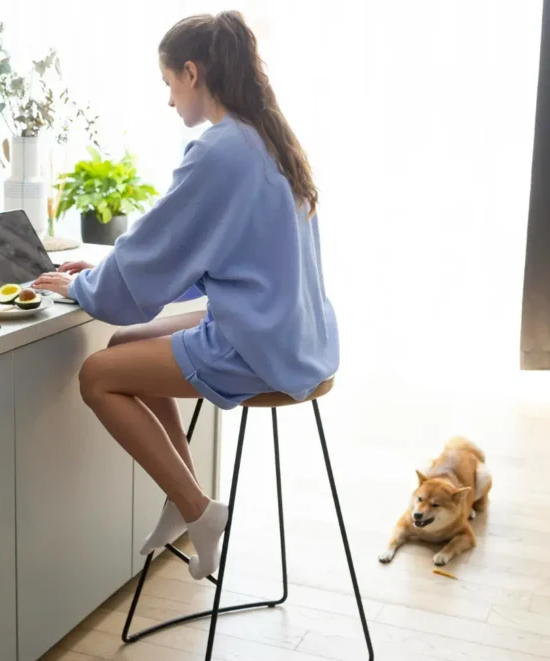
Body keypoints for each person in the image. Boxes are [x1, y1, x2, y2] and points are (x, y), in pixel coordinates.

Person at [33, 10, 337, 580]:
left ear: (192, 73)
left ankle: (199, 510)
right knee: (124, 342)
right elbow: (213, 247)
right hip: (290, 328)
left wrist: (79, 285)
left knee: (98, 375)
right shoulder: (267, 137)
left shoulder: (220, 150)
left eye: (170, 84)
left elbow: (163, 243)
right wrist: (97, 268)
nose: (170, 101)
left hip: (258, 343)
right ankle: (183, 497)